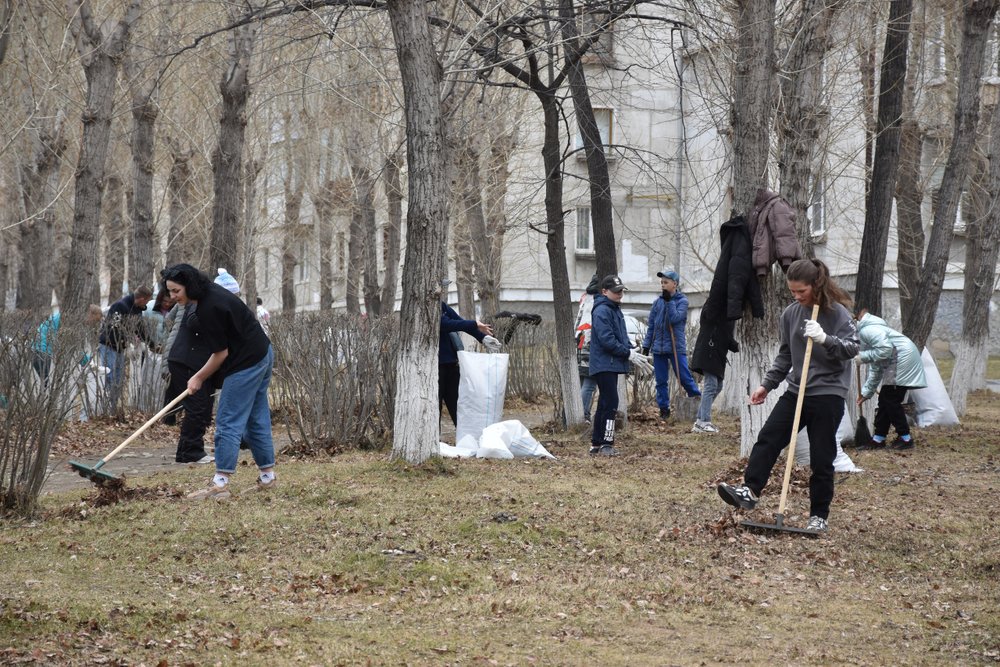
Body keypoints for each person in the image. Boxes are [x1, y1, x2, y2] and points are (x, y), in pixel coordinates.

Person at [717, 258, 859, 533]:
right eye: (792, 291)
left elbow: (853, 348)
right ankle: (749, 491)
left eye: (801, 291)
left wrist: (826, 339)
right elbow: (785, 355)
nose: (796, 296)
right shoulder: (790, 314)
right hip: (796, 390)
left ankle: (818, 515)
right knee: (769, 438)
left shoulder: (838, 314)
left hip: (828, 393)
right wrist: (767, 385)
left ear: (816, 286)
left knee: (821, 456)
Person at [162, 264, 274, 499]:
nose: (172, 297)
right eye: (169, 291)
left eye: (175, 291)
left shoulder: (208, 308)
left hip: (247, 362)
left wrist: (198, 377)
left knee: (228, 421)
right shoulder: (210, 294)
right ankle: (267, 477)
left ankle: (220, 484)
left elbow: (220, 354)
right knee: (255, 418)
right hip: (262, 353)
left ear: (189, 286)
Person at [690, 214, 764, 434]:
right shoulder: (715, 308)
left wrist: (734, 345)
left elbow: (726, 332)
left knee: (717, 385)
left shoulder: (720, 313)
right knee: (712, 385)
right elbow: (714, 313)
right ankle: (702, 421)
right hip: (710, 348)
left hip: (716, 348)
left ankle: (701, 419)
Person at [589, 275, 653, 456]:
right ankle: (607, 443)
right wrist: (628, 354)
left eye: (621, 291)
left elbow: (619, 336)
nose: (620, 294)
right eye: (616, 292)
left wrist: (632, 348)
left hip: (608, 363)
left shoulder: (613, 308)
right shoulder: (603, 310)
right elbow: (607, 340)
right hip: (604, 363)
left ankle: (596, 443)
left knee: (604, 402)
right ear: (604, 291)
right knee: (610, 402)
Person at [854, 309, 926, 451]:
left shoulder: (867, 330)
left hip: (901, 360)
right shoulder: (873, 331)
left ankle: (906, 438)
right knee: (886, 400)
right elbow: (876, 369)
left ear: (856, 320)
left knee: (891, 400)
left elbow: (885, 349)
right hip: (900, 359)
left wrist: (863, 357)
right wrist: (866, 393)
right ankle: (878, 439)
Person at [159, 279, 214, 464]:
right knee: (198, 407)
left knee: (197, 407)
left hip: (187, 358)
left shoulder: (200, 302)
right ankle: (192, 452)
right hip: (185, 360)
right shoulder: (197, 304)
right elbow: (192, 323)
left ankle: (185, 452)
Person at [642, 270, 700, 421]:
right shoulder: (657, 303)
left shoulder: (682, 301)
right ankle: (664, 409)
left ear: (675, 284)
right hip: (658, 348)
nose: (663, 285)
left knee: (684, 377)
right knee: (660, 381)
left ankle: (697, 401)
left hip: (676, 346)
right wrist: (647, 345)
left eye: (666, 282)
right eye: (661, 282)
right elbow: (652, 326)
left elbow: (674, 319)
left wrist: (669, 303)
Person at [439, 283, 499, 425]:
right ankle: (434, 444)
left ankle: (465, 440)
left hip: (452, 365)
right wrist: (474, 323)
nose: (442, 290)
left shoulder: (442, 306)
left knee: (458, 407)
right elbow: (445, 324)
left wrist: (482, 337)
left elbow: (459, 322)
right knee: (434, 409)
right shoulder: (425, 306)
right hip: (435, 368)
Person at [98, 286, 153, 413]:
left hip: (120, 348)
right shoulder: (120, 306)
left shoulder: (137, 310)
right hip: (109, 346)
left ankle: (112, 408)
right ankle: (105, 408)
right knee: (110, 377)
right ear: (141, 298)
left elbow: (140, 329)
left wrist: (151, 343)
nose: (146, 304)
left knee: (118, 379)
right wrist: (125, 342)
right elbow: (113, 327)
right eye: (146, 301)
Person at [32, 305, 103, 384]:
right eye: (95, 320)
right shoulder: (73, 321)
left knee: (45, 384)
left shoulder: (71, 318)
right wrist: (90, 362)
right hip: (41, 350)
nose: (93, 324)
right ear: (90, 314)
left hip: (38, 348)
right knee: (45, 385)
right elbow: (74, 349)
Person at [576, 274, 601, 423]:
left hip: (579, 340)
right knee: (590, 382)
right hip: (589, 341)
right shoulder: (597, 299)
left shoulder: (585, 296)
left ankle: (572, 415)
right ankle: (583, 415)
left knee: (580, 381)